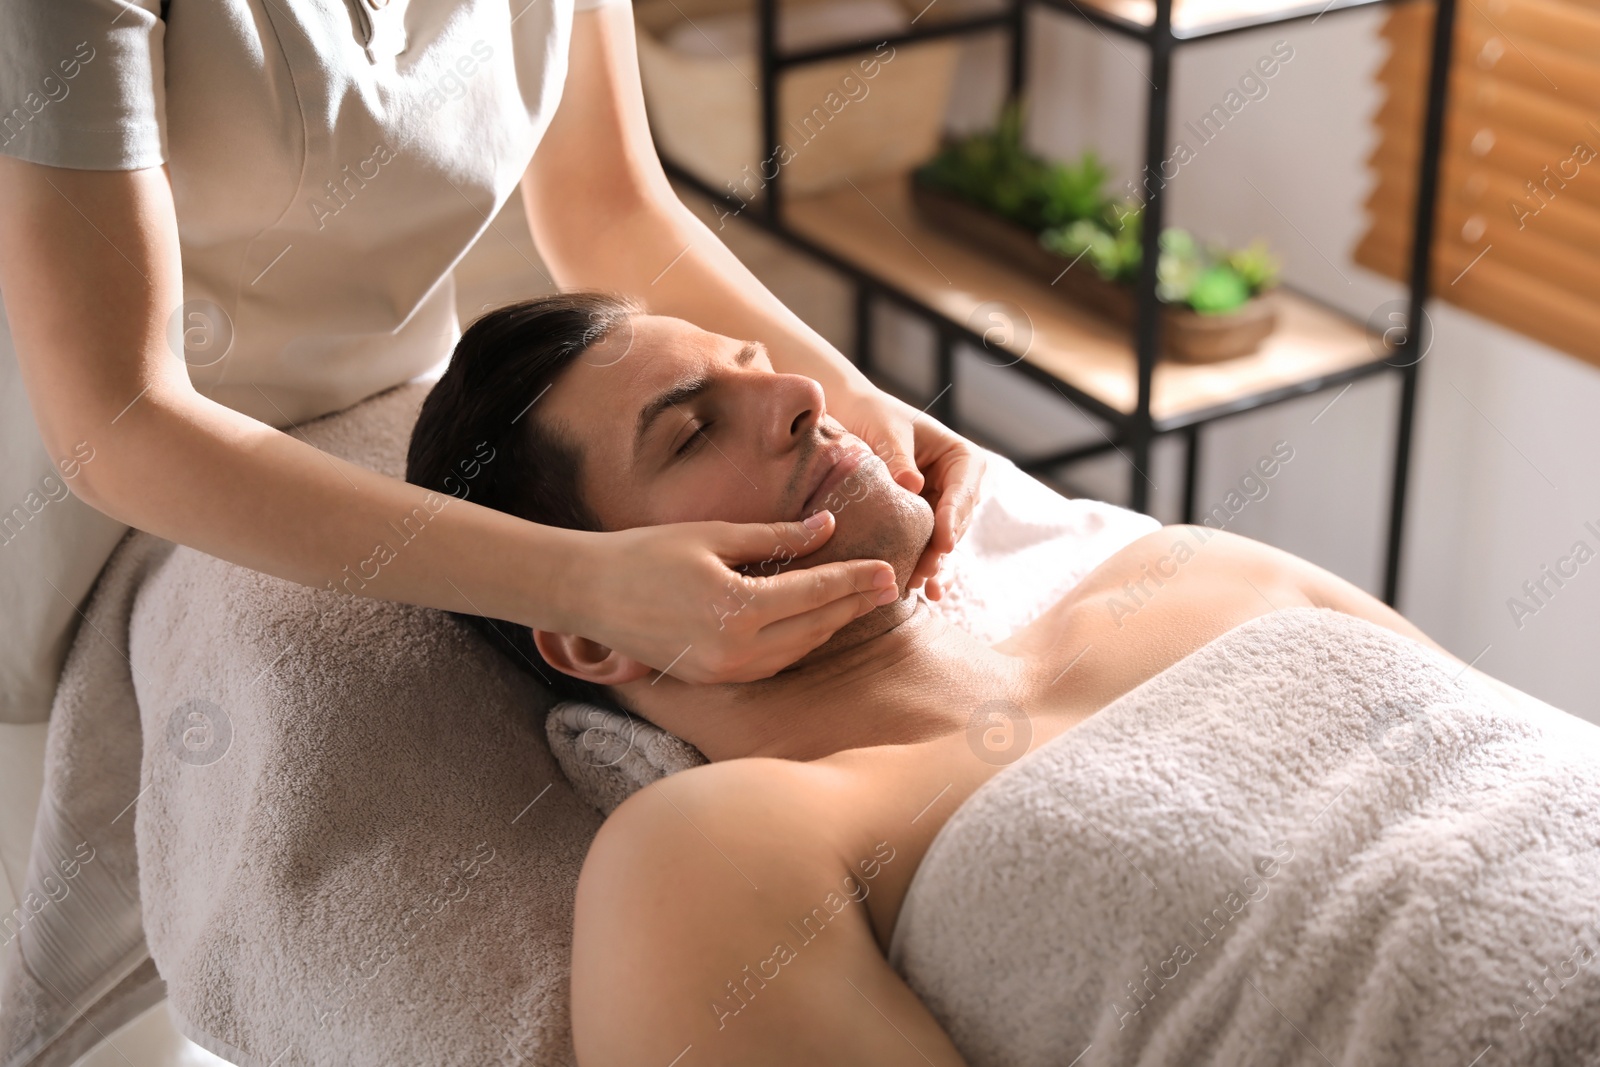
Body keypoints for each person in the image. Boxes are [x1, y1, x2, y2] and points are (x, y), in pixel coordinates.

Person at [404, 292, 1542, 1064]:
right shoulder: (716, 846)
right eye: (694, 431)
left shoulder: (1188, 572)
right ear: (595, 634)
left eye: (755, 366)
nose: (805, 393)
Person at [0, 0, 983, 725]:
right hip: (85, 497)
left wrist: (851, 394)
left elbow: (609, 207)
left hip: (392, 412)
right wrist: (585, 585)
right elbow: (116, 421)